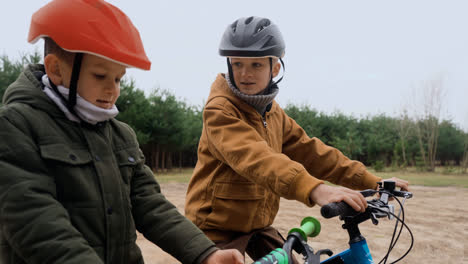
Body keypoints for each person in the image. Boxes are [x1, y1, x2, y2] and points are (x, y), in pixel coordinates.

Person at [0, 1, 244, 263]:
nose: (113, 90)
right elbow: (36, 221)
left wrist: (205, 253)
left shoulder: (120, 135)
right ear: (56, 69)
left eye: (118, 79)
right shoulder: (16, 125)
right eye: (100, 76)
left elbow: (151, 205)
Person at [184, 16, 409, 262]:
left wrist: (373, 181)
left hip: (257, 228)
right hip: (215, 231)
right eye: (237, 64)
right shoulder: (220, 111)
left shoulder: (272, 112)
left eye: (256, 65)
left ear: (275, 68)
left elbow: (312, 153)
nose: (245, 74)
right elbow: (258, 159)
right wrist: (315, 189)